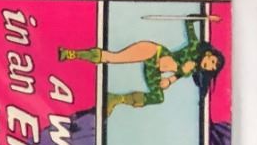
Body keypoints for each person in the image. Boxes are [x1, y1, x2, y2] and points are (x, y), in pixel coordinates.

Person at [60, 20, 225, 117]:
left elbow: (179, 74)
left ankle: (115, 99)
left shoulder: (194, 70)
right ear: (208, 53)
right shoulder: (195, 46)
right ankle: (71, 53)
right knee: (115, 58)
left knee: (158, 97)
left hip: (155, 70)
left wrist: (169, 81)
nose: (209, 65)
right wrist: (206, 18)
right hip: (155, 53)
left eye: (212, 67)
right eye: (212, 61)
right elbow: (189, 22)